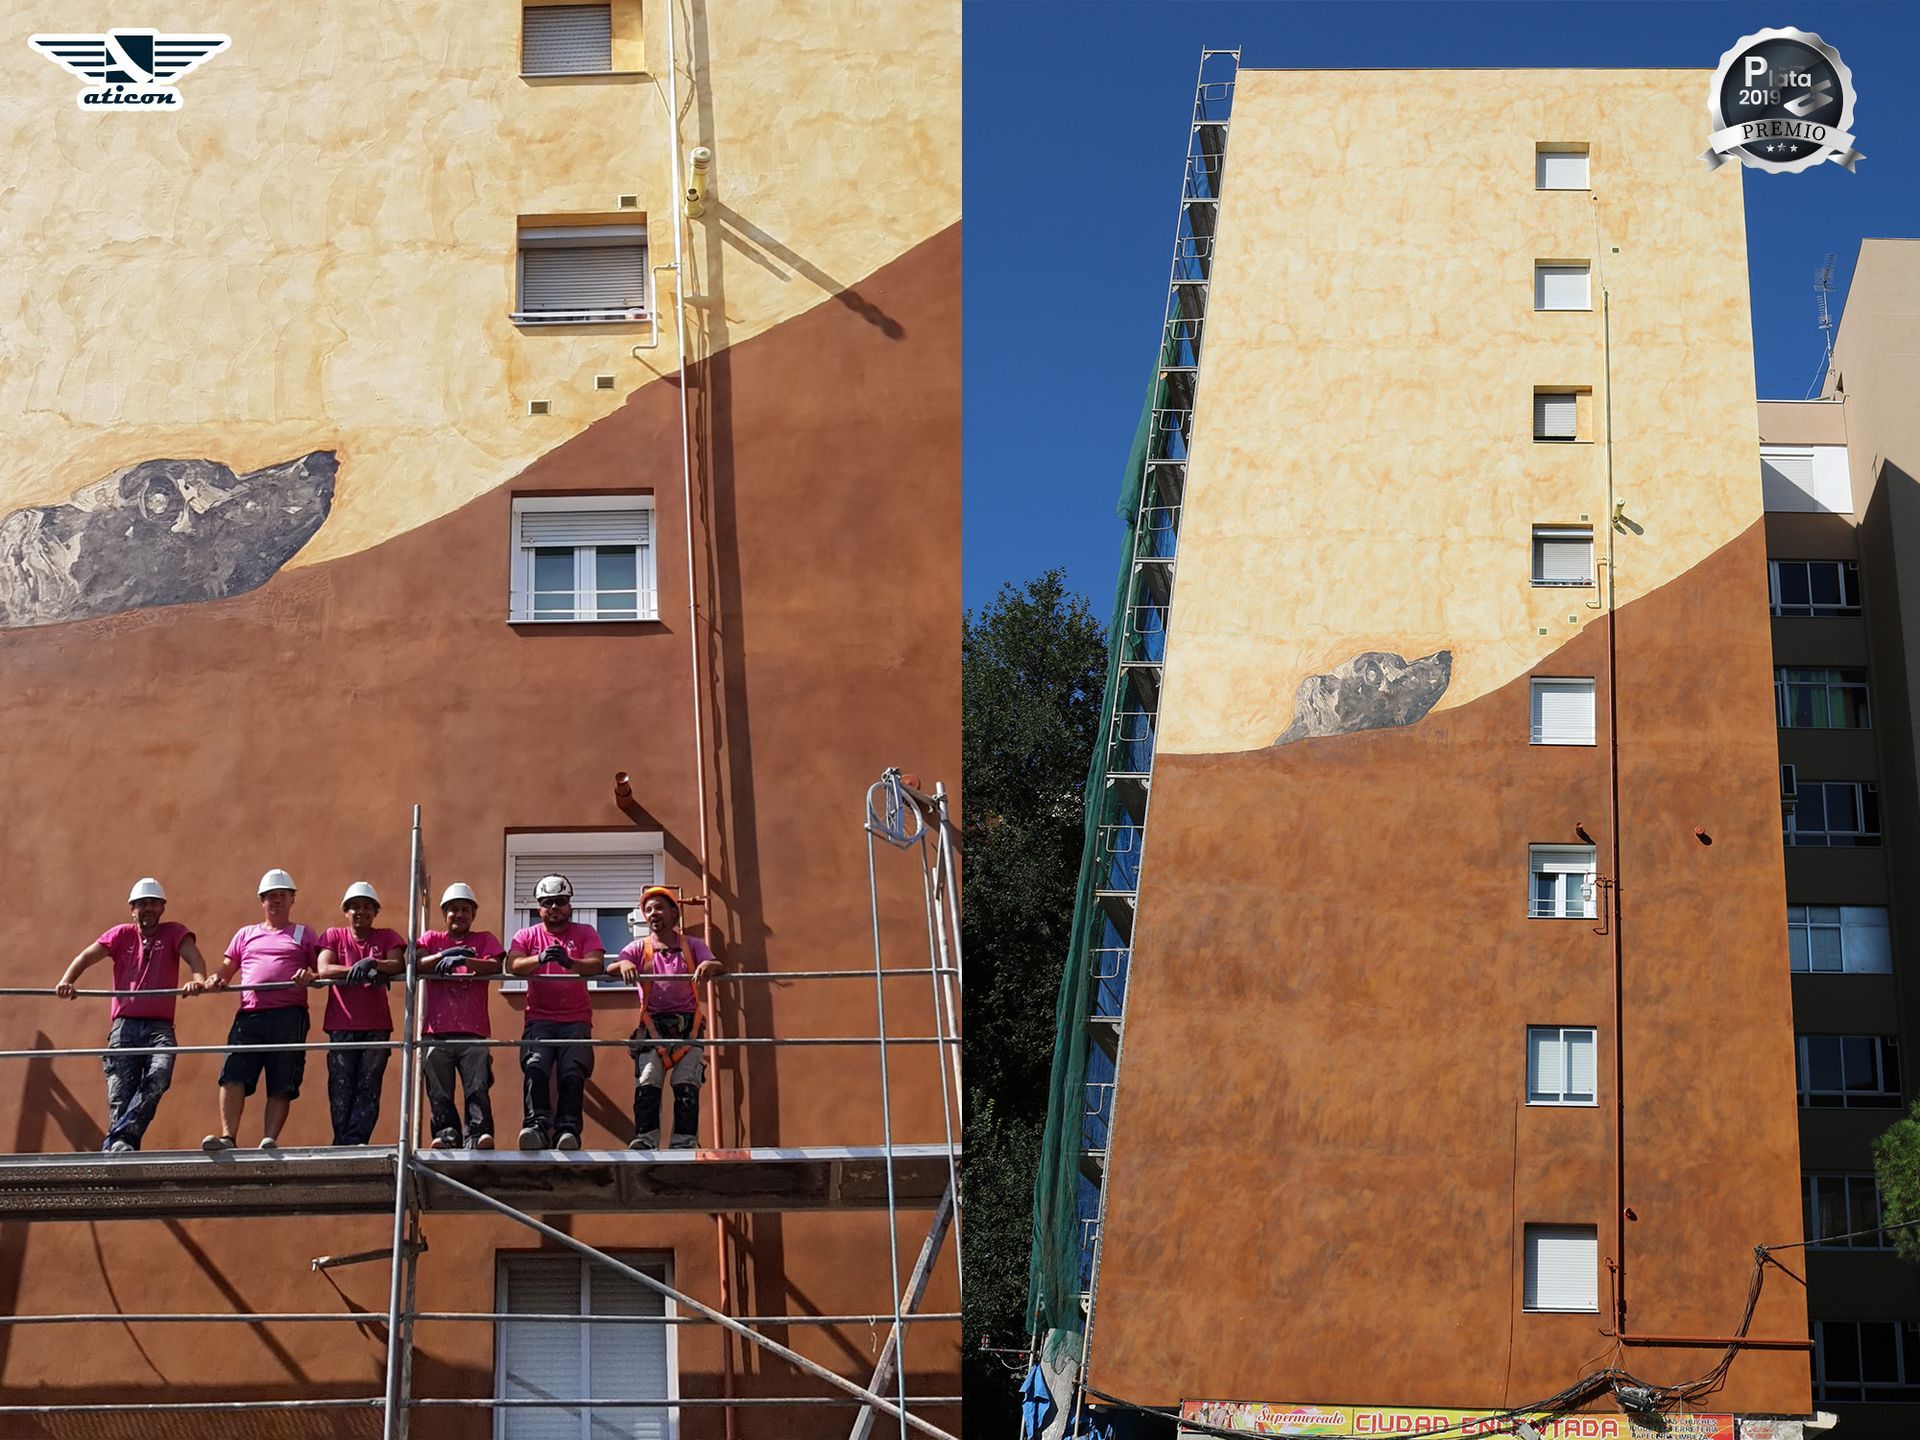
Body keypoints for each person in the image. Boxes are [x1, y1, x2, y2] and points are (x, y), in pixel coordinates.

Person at [55, 878, 211, 1152]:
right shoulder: (121, 935)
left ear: (162, 908)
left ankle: (117, 1140)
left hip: (159, 1028)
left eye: (153, 903)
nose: (147, 908)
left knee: (159, 1074)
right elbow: (86, 956)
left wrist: (198, 981)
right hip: (124, 1027)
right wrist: (67, 981)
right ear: (132, 909)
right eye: (141, 904)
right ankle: (121, 1147)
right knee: (121, 1093)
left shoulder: (174, 933)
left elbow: (194, 957)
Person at [202, 868, 322, 1151]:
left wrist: (310, 976)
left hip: (289, 1014)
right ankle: (228, 1137)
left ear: (292, 899)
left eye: (282, 895)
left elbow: (320, 971)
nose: (276, 900)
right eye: (270, 896)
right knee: (233, 1072)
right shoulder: (246, 934)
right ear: (262, 901)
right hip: (250, 1015)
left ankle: (269, 1139)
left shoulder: (304, 933)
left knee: (282, 1078)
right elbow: (226, 969)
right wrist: (214, 979)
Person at [609, 885, 723, 1150]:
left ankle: (684, 1143)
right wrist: (624, 964)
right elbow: (613, 966)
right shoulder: (639, 948)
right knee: (647, 1082)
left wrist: (708, 965)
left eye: (659, 908)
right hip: (653, 1029)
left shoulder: (692, 946)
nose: (653, 913)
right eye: (648, 910)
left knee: (686, 1085)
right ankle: (646, 1140)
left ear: (674, 913)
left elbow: (718, 965)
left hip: (688, 1030)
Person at [504, 874, 605, 1150]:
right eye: (547, 903)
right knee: (535, 1067)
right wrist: (539, 958)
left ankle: (568, 1131)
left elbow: (596, 964)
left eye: (560, 901)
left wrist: (569, 962)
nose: (554, 908)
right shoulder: (526, 935)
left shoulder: (585, 932)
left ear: (569, 904)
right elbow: (512, 965)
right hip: (539, 1018)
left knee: (573, 1072)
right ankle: (536, 1128)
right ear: (539, 908)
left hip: (576, 1019)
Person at [314, 882, 407, 1146]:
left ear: (375, 912)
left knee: (368, 1086)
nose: (361, 912)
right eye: (355, 906)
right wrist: (360, 969)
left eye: (367, 906)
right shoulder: (333, 935)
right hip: (341, 1025)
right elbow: (325, 969)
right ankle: (341, 1141)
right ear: (346, 911)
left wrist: (374, 963)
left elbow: (397, 963)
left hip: (376, 1026)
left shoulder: (387, 936)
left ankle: (356, 1140)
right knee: (340, 1087)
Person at [417, 882, 505, 1149]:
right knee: (439, 1089)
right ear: (444, 913)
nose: (459, 914)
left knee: (476, 1086)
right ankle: (447, 1134)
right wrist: (444, 954)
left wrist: (464, 960)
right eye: (453, 909)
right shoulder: (432, 939)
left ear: (473, 913)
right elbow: (417, 963)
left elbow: (494, 965)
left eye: (465, 909)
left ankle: (478, 1135)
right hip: (436, 1031)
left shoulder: (484, 940)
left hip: (473, 1030)